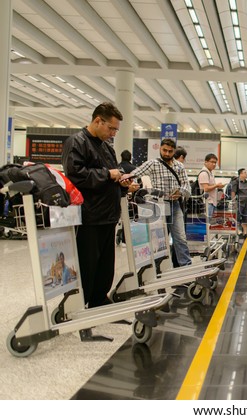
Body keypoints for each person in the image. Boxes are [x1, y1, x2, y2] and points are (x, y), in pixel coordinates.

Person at [61, 102, 133, 308]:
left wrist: (123, 182)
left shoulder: (107, 148)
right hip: (89, 215)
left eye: (116, 130)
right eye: (111, 128)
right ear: (97, 121)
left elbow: (112, 174)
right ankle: (81, 302)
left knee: (105, 264)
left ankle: (99, 299)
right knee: (88, 262)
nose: (113, 134)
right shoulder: (77, 142)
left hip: (108, 215)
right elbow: (75, 176)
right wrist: (107, 174)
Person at [130, 138, 192, 267]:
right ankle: (157, 268)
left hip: (174, 205)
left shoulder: (179, 166)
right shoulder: (152, 163)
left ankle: (185, 266)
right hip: (157, 205)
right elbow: (134, 173)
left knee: (180, 237)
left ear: (174, 151)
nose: (167, 154)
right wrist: (129, 183)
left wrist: (180, 192)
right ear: (160, 149)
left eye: (170, 151)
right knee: (158, 239)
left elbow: (187, 185)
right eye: (164, 150)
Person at [197, 153, 224, 219]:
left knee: (208, 225)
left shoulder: (210, 173)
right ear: (206, 162)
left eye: (215, 162)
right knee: (206, 225)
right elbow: (205, 188)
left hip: (211, 202)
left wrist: (217, 186)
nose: (214, 164)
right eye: (212, 162)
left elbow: (210, 186)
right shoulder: (204, 173)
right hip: (207, 203)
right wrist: (216, 185)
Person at [230, 168, 247, 238]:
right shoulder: (235, 182)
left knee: (245, 218)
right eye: (245, 172)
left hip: (246, 203)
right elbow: (233, 193)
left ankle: (245, 232)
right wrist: (233, 203)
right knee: (237, 218)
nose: (246, 174)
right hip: (239, 203)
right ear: (241, 174)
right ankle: (238, 230)